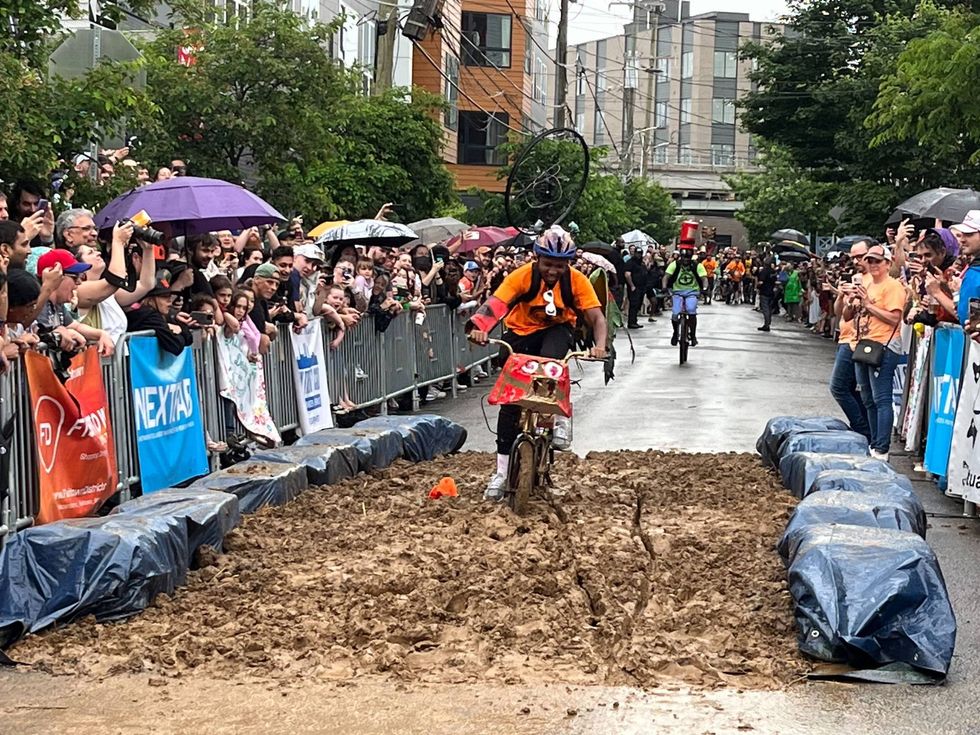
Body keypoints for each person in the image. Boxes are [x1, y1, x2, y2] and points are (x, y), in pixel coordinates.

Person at [466, 226, 608, 501]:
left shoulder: (577, 281)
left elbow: (597, 317)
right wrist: (479, 328)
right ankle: (501, 472)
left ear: (568, 263)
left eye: (559, 265)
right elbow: (495, 305)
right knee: (510, 403)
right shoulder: (520, 276)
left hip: (557, 330)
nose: (553, 271)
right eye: (547, 264)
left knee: (551, 362)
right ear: (536, 258)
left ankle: (557, 418)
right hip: (519, 333)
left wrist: (600, 346)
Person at [842, 244, 905, 461]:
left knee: (881, 398)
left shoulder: (893, 286)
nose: (873, 264)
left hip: (884, 345)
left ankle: (882, 447)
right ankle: (874, 442)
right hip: (864, 344)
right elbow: (848, 316)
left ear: (888, 263)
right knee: (867, 397)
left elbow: (895, 318)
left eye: (878, 261)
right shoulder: (866, 284)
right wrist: (851, 301)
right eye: (870, 261)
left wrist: (868, 304)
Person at [829, 240, 873, 442]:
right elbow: (841, 314)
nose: (856, 261)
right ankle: (865, 428)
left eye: (860, 256)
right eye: (853, 256)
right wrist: (841, 296)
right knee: (847, 388)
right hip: (846, 336)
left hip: (861, 339)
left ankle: (863, 429)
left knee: (840, 387)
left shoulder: (876, 279)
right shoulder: (855, 278)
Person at [663, 246, 708, 347]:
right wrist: (664, 287)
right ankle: (675, 333)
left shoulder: (697, 266)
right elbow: (666, 276)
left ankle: (693, 335)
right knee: (675, 314)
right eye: (683, 257)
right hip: (677, 292)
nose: (686, 259)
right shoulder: (675, 264)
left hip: (692, 292)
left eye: (688, 257)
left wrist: (705, 288)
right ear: (680, 257)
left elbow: (704, 278)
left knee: (691, 310)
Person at [624, 249, 648, 329]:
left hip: (641, 287)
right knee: (634, 304)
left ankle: (634, 321)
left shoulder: (641, 263)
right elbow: (627, 275)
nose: (639, 255)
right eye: (638, 253)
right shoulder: (630, 263)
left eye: (640, 253)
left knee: (638, 304)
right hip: (634, 287)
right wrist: (632, 285)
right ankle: (631, 322)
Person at [756, 256, 778, 332]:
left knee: (765, 309)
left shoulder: (763, 271)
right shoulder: (773, 272)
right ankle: (768, 323)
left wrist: (757, 286)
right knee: (769, 308)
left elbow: (761, 282)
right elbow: (775, 281)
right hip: (772, 292)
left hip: (764, 291)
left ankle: (766, 324)